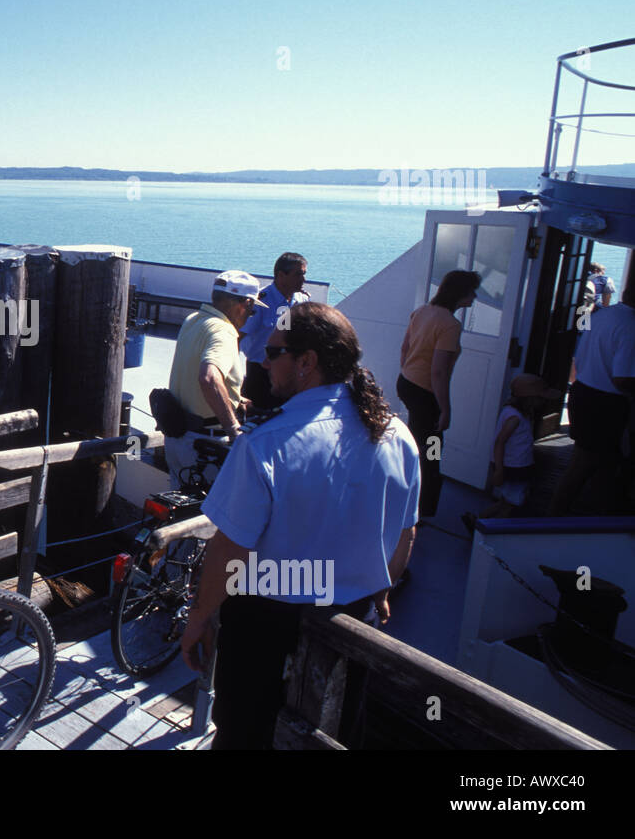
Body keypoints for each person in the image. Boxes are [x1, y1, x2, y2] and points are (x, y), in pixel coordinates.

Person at [179, 303, 421, 749]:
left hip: (266, 625)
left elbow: (230, 552)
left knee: (244, 735)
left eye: (274, 353)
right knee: (331, 735)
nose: (265, 363)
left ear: (306, 362)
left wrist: (198, 618)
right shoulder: (397, 434)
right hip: (354, 620)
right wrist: (382, 593)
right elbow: (405, 535)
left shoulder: (265, 444)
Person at [163, 271, 266, 485]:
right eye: (252, 310)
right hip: (205, 444)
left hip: (177, 438)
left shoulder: (193, 319)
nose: (250, 315)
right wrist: (234, 429)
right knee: (209, 514)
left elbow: (193, 371)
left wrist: (236, 398)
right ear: (245, 304)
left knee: (180, 509)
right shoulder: (224, 331)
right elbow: (209, 378)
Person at [396, 269, 481, 522]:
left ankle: (408, 499)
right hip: (426, 396)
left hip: (408, 384)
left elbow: (405, 349)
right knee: (432, 453)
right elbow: (439, 372)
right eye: (472, 292)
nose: (475, 296)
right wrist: (445, 410)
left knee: (417, 444)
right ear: (460, 294)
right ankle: (421, 512)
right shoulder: (450, 325)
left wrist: (409, 373)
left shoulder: (422, 312)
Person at [550, 281, 635, 515]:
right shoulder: (630, 326)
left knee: (601, 463)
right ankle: (554, 518)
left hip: (584, 392)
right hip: (604, 402)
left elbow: (581, 356)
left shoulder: (602, 315)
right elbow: (622, 379)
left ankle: (599, 516)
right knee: (583, 465)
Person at [474, 374, 560, 519]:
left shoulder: (516, 412)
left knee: (506, 501)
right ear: (531, 399)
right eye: (541, 398)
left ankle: (476, 520)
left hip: (516, 466)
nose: (544, 402)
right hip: (513, 469)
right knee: (511, 504)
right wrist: (499, 471)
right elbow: (500, 442)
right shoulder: (515, 418)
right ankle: (491, 531)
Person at [240, 252, 311, 410]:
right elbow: (238, 337)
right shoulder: (261, 302)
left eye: (304, 274)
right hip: (260, 373)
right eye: (298, 274)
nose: (303, 279)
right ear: (281, 275)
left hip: (289, 372)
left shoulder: (302, 301)